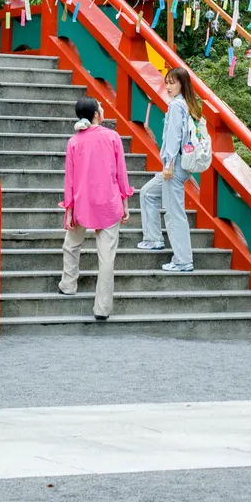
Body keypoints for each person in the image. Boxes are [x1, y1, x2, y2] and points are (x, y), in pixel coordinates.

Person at [60, 96, 134, 321]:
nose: (102, 109)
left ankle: (68, 284)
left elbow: (69, 179)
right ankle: (102, 308)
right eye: (100, 107)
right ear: (95, 114)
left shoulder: (74, 142)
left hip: (83, 204)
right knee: (107, 257)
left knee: (71, 244)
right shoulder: (112, 137)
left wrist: (69, 209)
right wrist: (125, 202)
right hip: (108, 204)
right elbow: (121, 172)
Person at [138, 66, 199, 273]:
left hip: (174, 165)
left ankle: (183, 260)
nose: (168, 86)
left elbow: (173, 138)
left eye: (173, 82)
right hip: (180, 164)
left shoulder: (176, 106)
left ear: (182, 84)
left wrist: (168, 164)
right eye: (167, 82)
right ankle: (153, 238)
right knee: (147, 193)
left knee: (174, 214)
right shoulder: (186, 105)